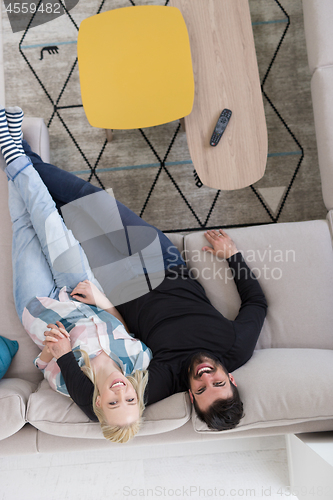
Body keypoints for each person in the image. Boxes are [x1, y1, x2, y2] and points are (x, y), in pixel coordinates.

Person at [9, 107, 267, 431]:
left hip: (116, 282)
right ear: (232, 380)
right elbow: (257, 303)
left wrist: (63, 356)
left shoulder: (163, 380)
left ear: (191, 394)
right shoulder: (237, 347)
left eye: (201, 389)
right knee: (86, 197)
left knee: (64, 215)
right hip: (161, 260)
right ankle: (17, 150)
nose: (205, 377)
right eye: (218, 383)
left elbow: (95, 408)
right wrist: (233, 255)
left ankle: (14, 150)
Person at [0, 106, 152, 443]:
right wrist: (102, 299)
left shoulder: (70, 383)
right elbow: (123, 328)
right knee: (48, 218)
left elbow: (41, 362)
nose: (121, 392)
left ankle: (11, 146)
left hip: (37, 303)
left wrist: (56, 350)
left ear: (99, 402)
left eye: (114, 402)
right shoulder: (139, 360)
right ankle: (10, 147)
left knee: (24, 226)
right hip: (79, 287)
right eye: (130, 400)